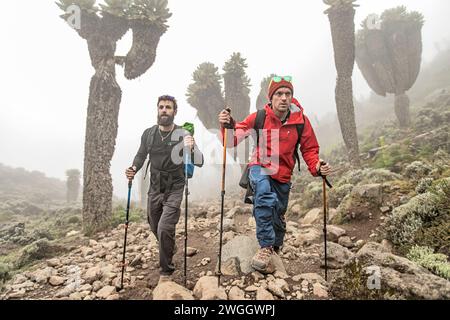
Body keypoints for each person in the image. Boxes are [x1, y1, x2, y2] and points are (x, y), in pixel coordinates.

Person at [218, 76, 332, 273]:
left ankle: (275, 244)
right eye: (279, 94)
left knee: (278, 212)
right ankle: (265, 247)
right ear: (271, 98)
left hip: (283, 174)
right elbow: (234, 138)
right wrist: (227, 125)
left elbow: (310, 149)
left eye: (288, 94)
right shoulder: (259, 117)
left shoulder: (301, 122)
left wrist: (317, 166)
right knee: (263, 197)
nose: (284, 98)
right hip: (259, 166)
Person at [126, 95, 204, 282]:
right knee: (154, 225)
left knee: (164, 227)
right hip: (154, 188)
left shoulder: (183, 134)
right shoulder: (149, 134)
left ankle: (166, 272)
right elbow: (140, 155)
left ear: (174, 112)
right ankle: (169, 246)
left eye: (168, 107)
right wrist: (133, 169)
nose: (164, 110)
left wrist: (191, 148)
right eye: (161, 107)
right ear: (157, 109)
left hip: (175, 187)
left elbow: (200, 161)